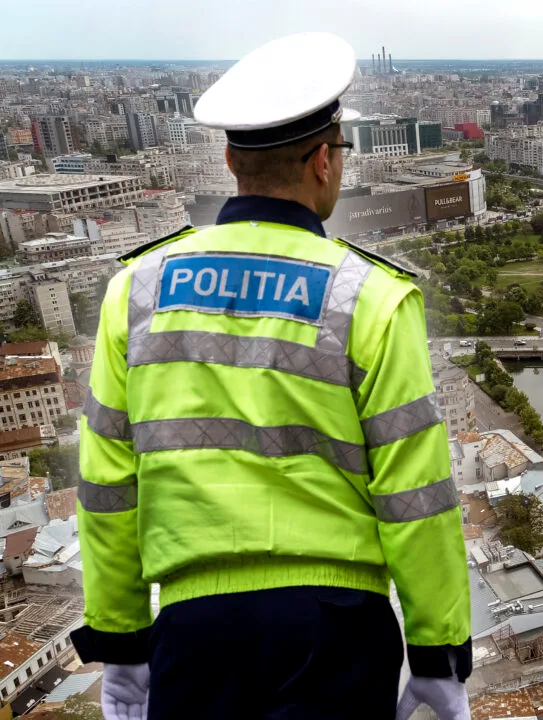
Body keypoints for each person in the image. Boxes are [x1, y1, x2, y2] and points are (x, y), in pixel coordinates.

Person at [71, 33, 470, 720]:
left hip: (194, 634)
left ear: (229, 159)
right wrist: (439, 653)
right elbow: (417, 491)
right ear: (323, 160)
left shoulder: (134, 292)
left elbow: (108, 484)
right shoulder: (369, 298)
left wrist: (123, 639)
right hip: (336, 630)